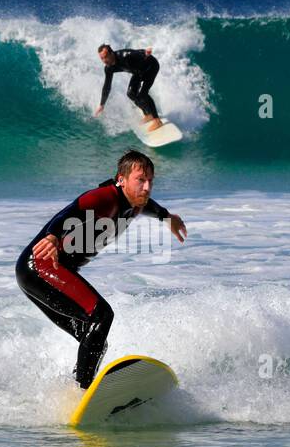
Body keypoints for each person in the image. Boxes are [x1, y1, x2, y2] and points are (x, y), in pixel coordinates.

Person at [16, 150, 188, 389]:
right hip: (40, 267)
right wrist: (53, 236)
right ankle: (83, 388)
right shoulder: (105, 197)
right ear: (122, 179)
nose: (147, 187)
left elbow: (149, 206)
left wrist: (166, 217)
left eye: (151, 181)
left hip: (45, 271)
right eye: (140, 180)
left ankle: (77, 389)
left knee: (94, 334)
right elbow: (70, 211)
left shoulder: (137, 203)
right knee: (101, 315)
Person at [94, 44, 164, 131]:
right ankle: (148, 114)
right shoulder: (109, 68)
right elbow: (107, 85)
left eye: (106, 57)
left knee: (143, 94)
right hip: (138, 72)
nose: (104, 60)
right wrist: (102, 104)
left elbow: (139, 52)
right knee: (131, 93)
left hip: (151, 66)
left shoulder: (125, 55)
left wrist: (145, 53)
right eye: (102, 58)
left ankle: (157, 121)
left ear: (111, 53)